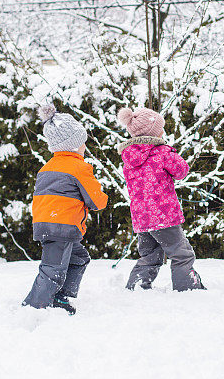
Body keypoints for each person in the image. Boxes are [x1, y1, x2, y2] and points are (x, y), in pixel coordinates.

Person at [22, 105, 108, 313]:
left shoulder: (47, 167)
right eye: (82, 143)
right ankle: (35, 306)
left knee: (78, 259)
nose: (84, 147)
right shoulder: (78, 167)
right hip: (62, 226)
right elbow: (97, 202)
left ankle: (59, 298)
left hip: (46, 223)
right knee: (52, 268)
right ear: (74, 145)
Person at [117, 107, 205, 292]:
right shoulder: (162, 153)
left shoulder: (129, 156)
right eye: (161, 129)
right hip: (163, 215)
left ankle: (136, 289)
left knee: (150, 256)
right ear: (154, 132)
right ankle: (188, 290)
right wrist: (168, 151)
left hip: (142, 218)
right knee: (182, 254)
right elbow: (181, 170)